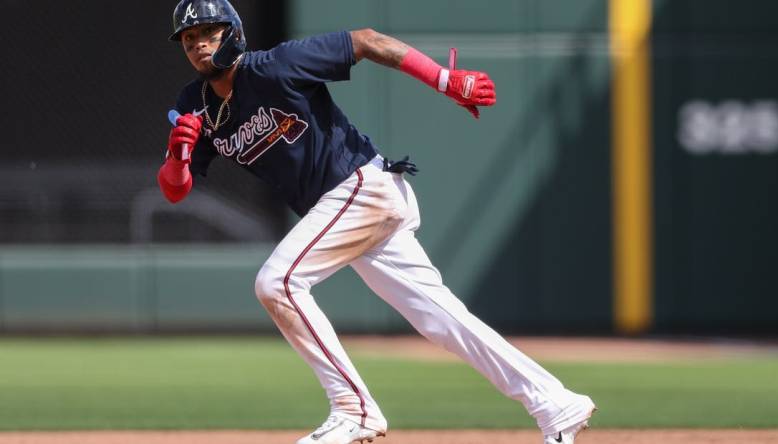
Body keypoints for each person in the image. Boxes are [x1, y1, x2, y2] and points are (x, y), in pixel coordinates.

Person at [159, 1, 596, 443]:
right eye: (189, 39)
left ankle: (355, 409)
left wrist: (445, 80)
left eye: (208, 33)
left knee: (278, 282)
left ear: (232, 31)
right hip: (353, 205)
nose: (198, 45)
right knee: (443, 320)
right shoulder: (192, 104)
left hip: (359, 187)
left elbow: (365, 41)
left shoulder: (275, 67)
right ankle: (555, 402)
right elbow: (175, 189)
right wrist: (179, 155)